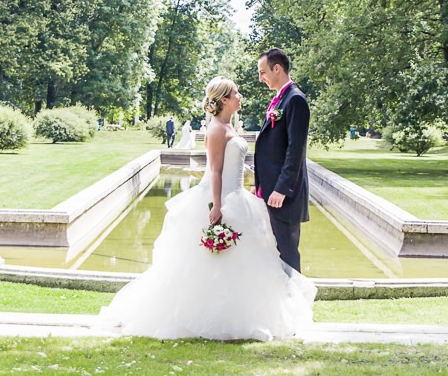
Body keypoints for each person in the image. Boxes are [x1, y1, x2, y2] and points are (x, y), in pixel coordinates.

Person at [96, 77, 315, 340]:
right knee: (208, 261)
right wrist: (217, 206)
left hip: (238, 197)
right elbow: (215, 171)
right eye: (236, 93)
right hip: (221, 199)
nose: (240, 96)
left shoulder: (228, 125)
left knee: (245, 261)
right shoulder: (215, 129)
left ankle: (241, 315)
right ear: (224, 99)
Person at [253, 48, 310, 272]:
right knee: (275, 251)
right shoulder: (280, 100)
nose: (261, 78)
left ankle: (295, 302)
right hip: (271, 191)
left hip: (283, 196)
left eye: (263, 72)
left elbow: (295, 150)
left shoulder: (295, 100)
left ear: (277, 69)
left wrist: (281, 189)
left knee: (287, 252)